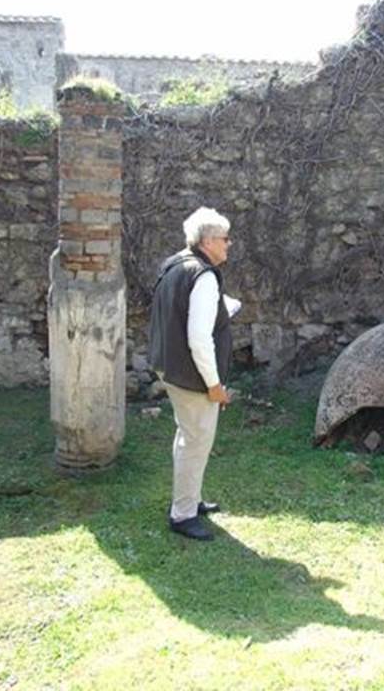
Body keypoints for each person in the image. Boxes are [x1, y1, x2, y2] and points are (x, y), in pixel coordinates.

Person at [148, 207, 238, 541]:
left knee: (188, 437)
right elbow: (199, 339)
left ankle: (192, 499)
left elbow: (177, 312)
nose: (229, 245)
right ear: (208, 240)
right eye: (225, 239)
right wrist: (214, 385)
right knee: (196, 441)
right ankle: (183, 514)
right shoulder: (203, 276)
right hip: (191, 375)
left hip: (170, 366)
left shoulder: (175, 263)